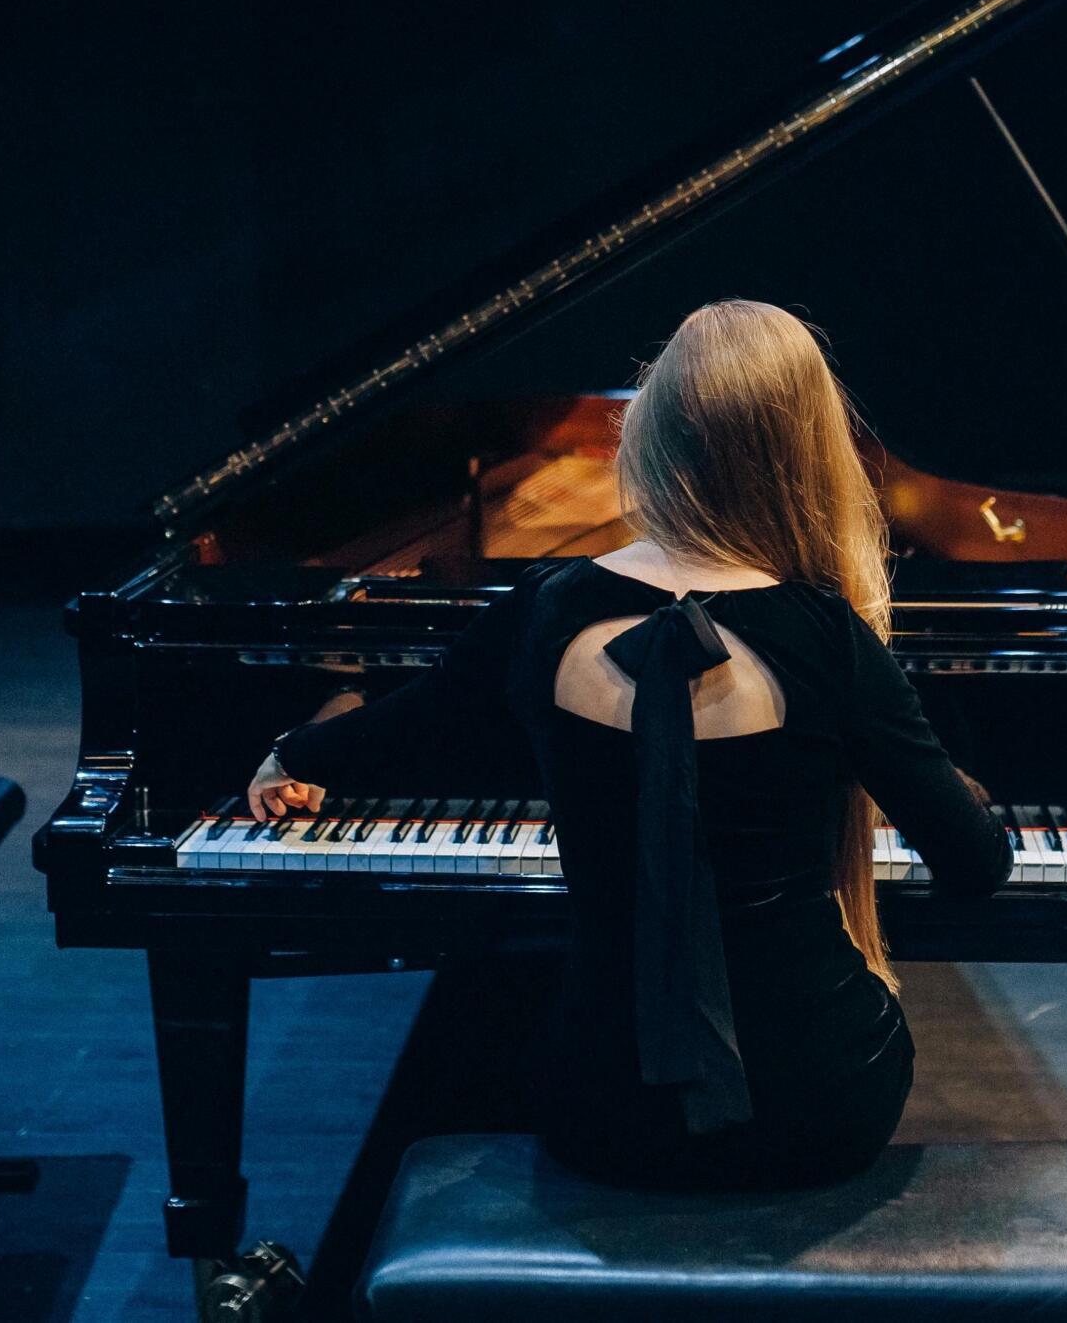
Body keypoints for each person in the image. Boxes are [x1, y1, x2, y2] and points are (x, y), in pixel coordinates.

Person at [245, 298, 1012, 1189]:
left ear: (646, 436)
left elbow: (407, 725)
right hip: (819, 1104)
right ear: (811, 451)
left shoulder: (548, 606)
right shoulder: (831, 641)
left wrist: (292, 755)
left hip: (600, 1105)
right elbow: (975, 865)